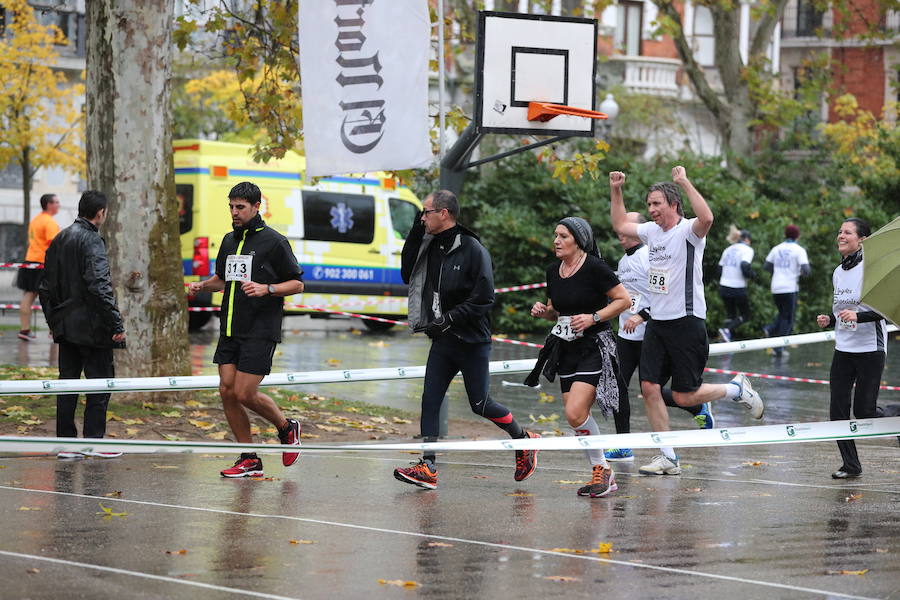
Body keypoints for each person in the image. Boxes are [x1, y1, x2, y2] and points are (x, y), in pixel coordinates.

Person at [610, 167, 765, 476]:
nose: (652, 210)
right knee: (649, 387)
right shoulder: (651, 233)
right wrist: (616, 189)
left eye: (657, 204)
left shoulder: (689, 230)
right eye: (649, 204)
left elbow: (707, 218)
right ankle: (667, 456)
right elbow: (619, 223)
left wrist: (683, 181)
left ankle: (735, 389)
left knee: (683, 395)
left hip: (687, 321)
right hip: (658, 324)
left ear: (674, 204)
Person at [393, 189, 538, 490]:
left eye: (426, 212)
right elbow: (408, 273)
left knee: (480, 403)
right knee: (430, 401)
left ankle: (523, 439)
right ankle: (428, 465)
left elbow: (484, 299)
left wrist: (449, 318)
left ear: (443, 213)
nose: (423, 217)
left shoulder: (472, 249)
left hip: (472, 340)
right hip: (442, 340)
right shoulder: (431, 245)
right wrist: (415, 231)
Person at [188, 182, 304, 478]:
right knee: (227, 391)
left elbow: (297, 283)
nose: (234, 212)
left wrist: (268, 288)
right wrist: (202, 285)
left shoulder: (274, 242)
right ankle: (249, 458)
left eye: (240, 207)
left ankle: (286, 427)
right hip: (230, 327)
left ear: (256, 207)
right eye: (231, 206)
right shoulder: (229, 240)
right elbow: (222, 280)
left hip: (260, 329)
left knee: (243, 392)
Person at [526, 217, 631, 498]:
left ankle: (603, 470)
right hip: (566, 348)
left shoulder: (595, 268)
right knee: (576, 418)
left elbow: (624, 300)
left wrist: (593, 317)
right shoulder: (553, 271)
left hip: (594, 347)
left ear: (579, 240)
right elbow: (555, 310)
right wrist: (543, 312)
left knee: (574, 411)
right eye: (555, 235)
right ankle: (602, 471)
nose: (556, 241)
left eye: (563, 236)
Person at [604, 212, 715, 463]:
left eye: (628, 229)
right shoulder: (623, 262)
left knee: (652, 392)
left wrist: (641, 316)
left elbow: (662, 294)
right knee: (618, 387)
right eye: (620, 230)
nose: (622, 234)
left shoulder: (649, 256)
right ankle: (624, 445)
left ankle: (697, 407)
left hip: (651, 333)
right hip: (626, 335)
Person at [38, 191, 124, 459]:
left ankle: (67, 444)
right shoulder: (92, 241)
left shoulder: (60, 238)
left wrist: (53, 320)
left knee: (67, 386)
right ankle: (94, 442)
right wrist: (115, 323)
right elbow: (99, 286)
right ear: (101, 213)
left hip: (66, 326)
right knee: (99, 386)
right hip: (93, 328)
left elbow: (44, 287)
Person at [816, 217, 887, 480]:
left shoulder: (872, 269)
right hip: (844, 348)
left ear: (862, 240)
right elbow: (842, 311)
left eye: (847, 232)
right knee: (837, 410)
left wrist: (861, 317)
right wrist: (830, 320)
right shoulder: (838, 271)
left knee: (865, 411)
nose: (841, 236)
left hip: (870, 347)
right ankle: (851, 465)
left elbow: (888, 314)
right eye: (839, 232)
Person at [17, 193, 60, 341]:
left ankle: (24, 329)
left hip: (30, 261)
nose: (58, 205)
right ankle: (54, 331)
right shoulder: (49, 222)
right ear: (49, 204)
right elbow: (53, 245)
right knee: (51, 297)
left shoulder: (35, 220)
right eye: (56, 202)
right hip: (43, 264)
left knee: (28, 296)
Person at [763, 224, 810, 357]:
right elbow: (806, 270)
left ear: (785, 234)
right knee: (788, 318)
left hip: (776, 287)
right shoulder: (799, 250)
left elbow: (766, 266)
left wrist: (778, 273)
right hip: (790, 287)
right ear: (798, 236)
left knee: (782, 314)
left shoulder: (776, 248)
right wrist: (800, 273)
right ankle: (778, 346)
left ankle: (771, 332)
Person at [716, 226, 754, 343]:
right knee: (746, 315)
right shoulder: (747, 249)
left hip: (724, 286)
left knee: (730, 315)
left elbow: (719, 269)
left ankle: (725, 338)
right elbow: (744, 266)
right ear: (746, 239)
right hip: (737, 287)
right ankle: (726, 330)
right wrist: (753, 275)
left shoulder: (728, 249)